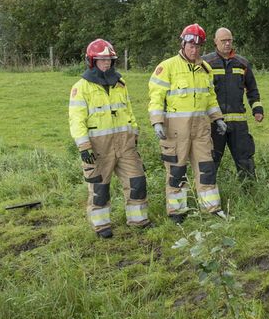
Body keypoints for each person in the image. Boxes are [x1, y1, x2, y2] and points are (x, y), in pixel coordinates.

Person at [68, 38, 149, 238]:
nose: (106, 63)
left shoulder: (120, 84)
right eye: (102, 60)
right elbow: (76, 119)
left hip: (125, 144)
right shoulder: (81, 88)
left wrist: (134, 132)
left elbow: (128, 112)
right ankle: (102, 225)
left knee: (137, 182)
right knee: (99, 189)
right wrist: (84, 146)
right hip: (98, 148)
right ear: (92, 61)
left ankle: (138, 220)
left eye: (109, 60)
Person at [148, 24, 227, 222]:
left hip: (200, 127)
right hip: (176, 130)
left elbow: (210, 98)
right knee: (177, 170)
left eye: (198, 46)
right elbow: (156, 97)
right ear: (183, 44)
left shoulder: (205, 69)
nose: (194, 50)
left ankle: (211, 208)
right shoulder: (167, 67)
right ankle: (177, 211)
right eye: (191, 46)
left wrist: (217, 118)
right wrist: (157, 122)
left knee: (206, 168)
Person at [204, 27, 263, 180]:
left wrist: (257, 110)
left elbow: (252, 89)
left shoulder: (242, 63)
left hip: (238, 124)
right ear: (215, 42)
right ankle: (207, 193)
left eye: (229, 40)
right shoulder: (206, 63)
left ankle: (250, 193)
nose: (227, 43)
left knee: (245, 160)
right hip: (214, 123)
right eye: (223, 41)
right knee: (210, 161)